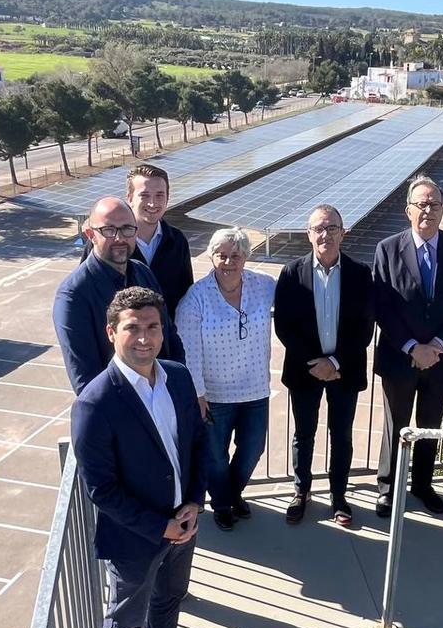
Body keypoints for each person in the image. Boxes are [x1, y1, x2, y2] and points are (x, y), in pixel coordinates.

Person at [70, 287, 208, 628]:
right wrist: (158, 526)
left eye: (153, 326)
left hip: (184, 523)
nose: (145, 338)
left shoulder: (178, 377)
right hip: (134, 538)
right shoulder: (95, 404)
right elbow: (101, 489)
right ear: (111, 332)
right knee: (124, 622)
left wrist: (195, 502)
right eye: (133, 328)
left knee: (169, 601)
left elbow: (197, 442)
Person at [373, 175, 443, 517]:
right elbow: (382, 307)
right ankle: (388, 488)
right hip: (399, 357)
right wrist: (411, 347)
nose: (428, 211)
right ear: (408, 211)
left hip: (441, 359)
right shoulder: (387, 249)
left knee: (429, 425)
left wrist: (436, 345)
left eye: (434, 204)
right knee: (398, 425)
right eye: (421, 204)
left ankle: (421, 484)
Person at [274, 204, 374, 526]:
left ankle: (339, 496)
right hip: (306, 372)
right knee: (304, 435)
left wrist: (334, 362)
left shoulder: (360, 273)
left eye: (332, 228)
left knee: (341, 435)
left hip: (344, 371)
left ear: (343, 233)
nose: (325, 234)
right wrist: (314, 363)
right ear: (308, 234)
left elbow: (365, 326)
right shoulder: (292, 273)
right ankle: (301, 491)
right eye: (318, 228)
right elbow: (284, 326)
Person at [176, 228, 276, 531]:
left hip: (255, 389)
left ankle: (231, 494)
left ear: (245, 257)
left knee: (252, 450)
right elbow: (189, 353)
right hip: (215, 396)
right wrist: (199, 396)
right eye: (222, 255)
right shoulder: (195, 299)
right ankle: (223, 504)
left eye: (236, 255)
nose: (229, 261)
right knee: (215, 458)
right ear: (211, 256)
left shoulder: (264, 285)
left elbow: (300, 298)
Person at [54, 197, 185, 395]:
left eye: (126, 229)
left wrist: (176, 386)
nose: (119, 238)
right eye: (109, 230)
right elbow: (85, 380)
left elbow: (169, 336)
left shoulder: (143, 272)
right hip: (122, 411)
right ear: (91, 234)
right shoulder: (74, 295)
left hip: (161, 395)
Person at [80, 165, 195, 316]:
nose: (153, 203)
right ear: (129, 197)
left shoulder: (177, 241)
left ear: (168, 197)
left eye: (159, 195)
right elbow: (86, 295)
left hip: (164, 336)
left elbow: (185, 298)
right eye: (144, 195)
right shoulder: (106, 243)